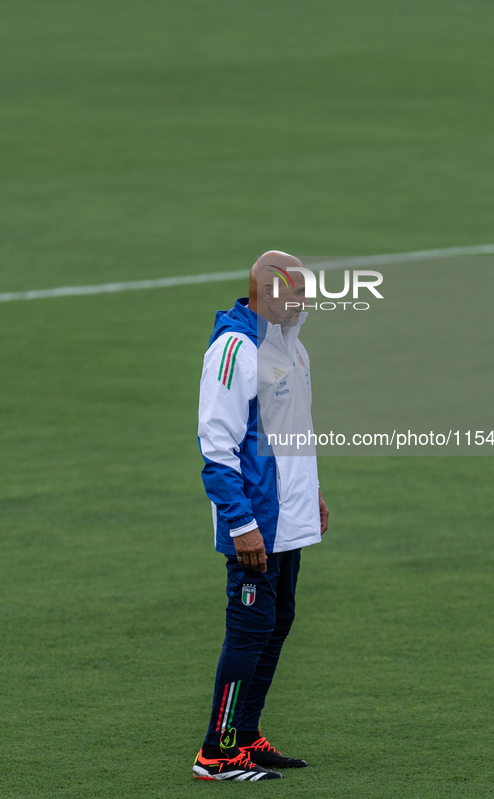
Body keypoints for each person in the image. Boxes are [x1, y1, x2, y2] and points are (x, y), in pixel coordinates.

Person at [193, 251, 329, 782]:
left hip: (289, 519)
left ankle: (245, 737)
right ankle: (218, 753)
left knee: (277, 623)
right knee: (249, 632)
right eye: (294, 296)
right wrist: (241, 525)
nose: (303, 306)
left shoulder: (291, 350)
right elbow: (217, 447)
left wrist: (312, 494)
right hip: (257, 524)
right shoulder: (235, 350)